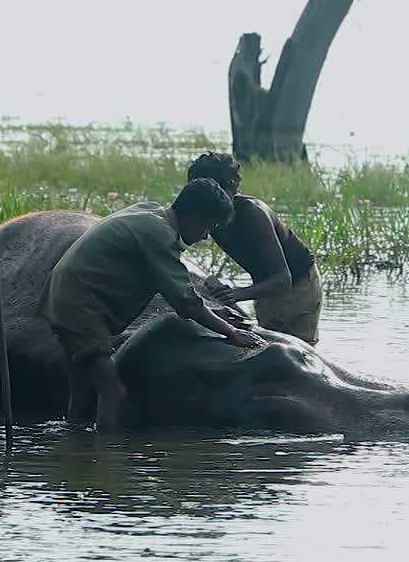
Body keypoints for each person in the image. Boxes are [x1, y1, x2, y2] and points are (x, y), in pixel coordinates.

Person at [37, 178, 263, 432]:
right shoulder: (160, 234)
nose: (206, 235)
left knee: (82, 394)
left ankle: (74, 453)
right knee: (114, 393)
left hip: (63, 296)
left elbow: (174, 285)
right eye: (208, 226)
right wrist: (231, 332)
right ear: (196, 217)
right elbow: (184, 301)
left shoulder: (151, 212)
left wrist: (212, 311)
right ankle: (102, 465)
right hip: (80, 307)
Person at [186, 152, 324, 346]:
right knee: (268, 348)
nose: (209, 201)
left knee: (302, 354)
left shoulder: (253, 214)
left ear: (233, 185)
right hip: (264, 287)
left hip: (299, 286)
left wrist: (237, 294)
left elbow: (283, 279)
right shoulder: (211, 217)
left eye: (215, 191)